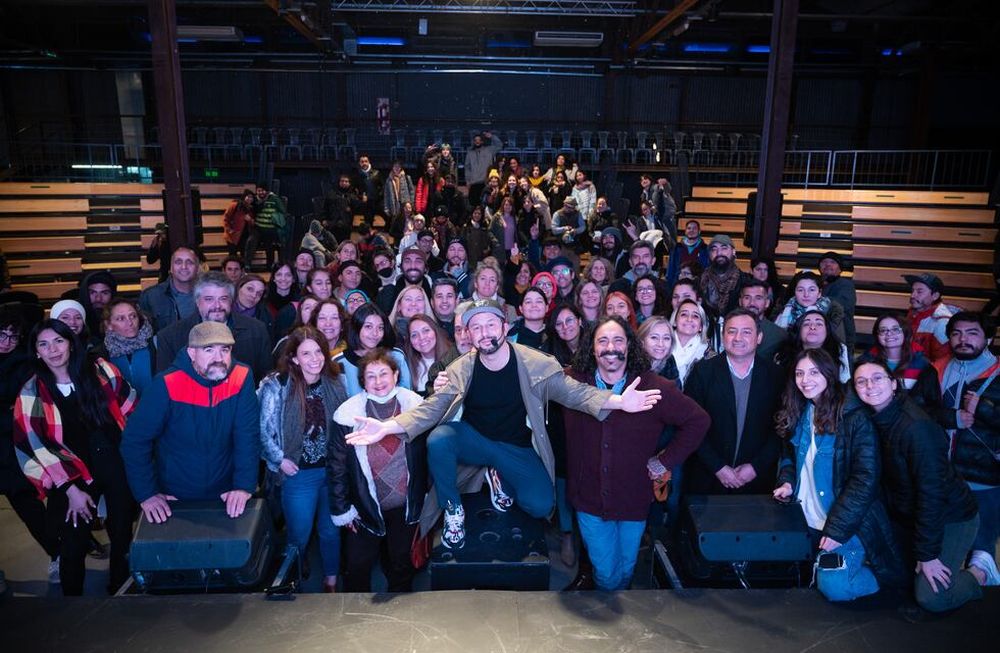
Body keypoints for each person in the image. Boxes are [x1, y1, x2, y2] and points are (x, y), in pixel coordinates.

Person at [344, 299, 663, 549]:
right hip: (475, 440)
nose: (484, 333)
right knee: (439, 438)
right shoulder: (461, 367)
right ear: (468, 335)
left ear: (505, 327)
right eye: (476, 328)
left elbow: (574, 393)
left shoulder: (536, 363)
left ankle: (499, 477)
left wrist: (620, 401)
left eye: (490, 325)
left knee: (540, 504)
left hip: (515, 447)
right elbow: (431, 409)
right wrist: (387, 427)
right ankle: (453, 511)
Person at [563, 316, 709, 591]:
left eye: (618, 340)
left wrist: (664, 460)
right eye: (602, 340)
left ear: (630, 346)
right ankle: (612, 624)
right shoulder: (573, 382)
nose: (610, 347)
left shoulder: (654, 387)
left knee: (626, 569)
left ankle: (617, 621)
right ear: (591, 348)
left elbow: (698, 421)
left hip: (634, 499)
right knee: (607, 574)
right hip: (589, 499)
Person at [13, 319, 137, 595]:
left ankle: (121, 589)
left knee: (121, 532)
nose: (53, 350)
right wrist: (70, 490)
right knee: (72, 542)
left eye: (58, 341)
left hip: (114, 462)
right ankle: (72, 602)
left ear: (71, 343)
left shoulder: (101, 370)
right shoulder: (32, 391)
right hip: (70, 472)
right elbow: (32, 445)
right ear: (36, 351)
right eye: (43, 344)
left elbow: (132, 407)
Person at [773, 349, 904, 601]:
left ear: (829, 374)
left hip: (844, 525)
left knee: (835, 588)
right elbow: (789, 454)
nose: (805, 380)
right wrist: (787, 481)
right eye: (799, 373)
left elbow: (865, 479)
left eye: (813, 372)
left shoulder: (854, 417)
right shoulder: (802, 408)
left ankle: (884, 576)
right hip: (807, 520)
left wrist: (837, 531)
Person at [853, 360, 982, 612]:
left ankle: (978, 573)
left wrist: (927, 555)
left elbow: (932, 495)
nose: (870, 386)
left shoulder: (916, 428)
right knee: (896, 578)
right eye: (861, 381)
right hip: (909, 516)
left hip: (950, 517)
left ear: (893, 383)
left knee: (931, 598)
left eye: (877, 378)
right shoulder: (872, 418)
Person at [121, 322, 259, 523]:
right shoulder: (166, 383)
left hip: (226, 493)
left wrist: (243, 486)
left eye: (225, 349)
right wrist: (147, 494)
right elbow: (134, 441)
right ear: (191, 353)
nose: (218, 358)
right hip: (176, 496)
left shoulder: (241, 375)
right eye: (209, 350)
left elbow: (248, 435)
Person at [258, 326, 347, 593]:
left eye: (319, 351)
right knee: (299, 535)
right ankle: (291, 584)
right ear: (294, 358)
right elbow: (262, 430)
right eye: (306, 353)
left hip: (331, 472)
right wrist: (279, 460)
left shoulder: (334, 381)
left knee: (331, 532)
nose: (315, 358)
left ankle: (331, 582)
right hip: (299, 475)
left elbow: (344, 424)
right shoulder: (277, 385)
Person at [329, 349, 427, 592]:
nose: (378, 381)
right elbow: (337, 467)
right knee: (357, 566)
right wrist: (343, 510)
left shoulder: (415, 407)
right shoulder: (347, 415)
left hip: (405, 506)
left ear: (396, 375)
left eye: (384, 374)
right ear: (363, 381)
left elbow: (427, 458)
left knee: (402, 564)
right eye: (371, 376)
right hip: (364, 508)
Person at [925, 312, 1000, 586]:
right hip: (943, 473)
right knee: (948, 551)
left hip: (985, 477)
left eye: (972, 333)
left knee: (981, 555)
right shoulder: (936, 368)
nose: (963, 339)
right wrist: (951, 417)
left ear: (988, 338)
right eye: (956, 333)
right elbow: (920, 410)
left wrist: (984, 409)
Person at [684, 309, 784, 495]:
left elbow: (780, 428)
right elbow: (690, 425)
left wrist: (755, 466)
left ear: (759, 337)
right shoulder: (702, 372)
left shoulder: (775, 375)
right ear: (723, 336)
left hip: (757, 480)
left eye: (746, 332)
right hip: (707, 477)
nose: (738, 338)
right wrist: (718, 466)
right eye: (731, 331)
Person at [0, 309, 60, 585]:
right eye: (2, 334)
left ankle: (57, 553)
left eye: (13, 337)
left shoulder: (23, 365)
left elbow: (21, 411)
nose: (6, 342)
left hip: (13, 449)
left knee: (29, 507)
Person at [155, 272, 272, 383]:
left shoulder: (257, 330)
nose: (217, 306)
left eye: (223, 299)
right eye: (209, 299)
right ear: (197, 301)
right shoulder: (170, 337)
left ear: (231, 300)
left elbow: (264, 380)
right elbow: (167, 385)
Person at [333, 302, 412, 396]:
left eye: (380, 328)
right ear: (357, 328)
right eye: (368, 327)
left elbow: (407, 395)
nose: (375, 333)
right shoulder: (340, 362)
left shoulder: (396, 356)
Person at [95, 297, 156, 398]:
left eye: (133, 316)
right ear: (108, 324)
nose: (130, 322)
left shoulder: (155, 345)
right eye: (120, 319)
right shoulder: (99, 355)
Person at [855, 313, 932, 392]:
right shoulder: (865, 362)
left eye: (895, 329)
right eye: (883, 330)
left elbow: (928, 399)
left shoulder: (922, 364)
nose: (889, 333)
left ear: (905, 333)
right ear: (877, 336)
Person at [774, 271, 847, 344]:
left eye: (812, 290)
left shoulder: (832, 313)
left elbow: (839, 346)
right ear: (795, 292)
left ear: (819, 293)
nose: (806, 294)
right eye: (800, 290)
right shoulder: (784, 311)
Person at [139, 245, 199, 333]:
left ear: (197, 269)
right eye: (178, 262)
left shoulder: (209, 295)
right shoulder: (150, 297)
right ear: (171, 268)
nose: (184, 266)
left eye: (189, 262)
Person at [699, 235, 748, 331]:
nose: (719, 253)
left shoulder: (744, 282)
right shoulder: (700, 280)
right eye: (714, 249)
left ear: (733, 252)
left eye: (724, 248)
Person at [904, 273, 957, 363]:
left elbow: (942, 364)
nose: (912, 295)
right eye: (912, 291)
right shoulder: (913, 313)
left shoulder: (942, 322)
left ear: (935, 296)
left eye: (919, 292)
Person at [403, 314, 457, 396]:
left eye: (426, 330)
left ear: (435, 331)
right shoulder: (407, 365)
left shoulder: (454, 355)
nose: (421, 338)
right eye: (414, 335)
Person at [739, 279, 787, 361]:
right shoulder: (727, 329)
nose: (752, 303)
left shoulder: (779, 336)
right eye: (747, 298)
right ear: (740, 302)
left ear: (767, 303)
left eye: (758, 298)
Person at [376, 246, 432, 316]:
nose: (413, 266)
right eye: (407, 261)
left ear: (426, 268)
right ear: (401, 267)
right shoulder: (385, 297)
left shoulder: (435, 295)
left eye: (418, 261)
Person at [670, 299, 712, 389]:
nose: (689, 319)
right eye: (684, 314)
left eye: (695, 316)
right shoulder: (661, 346)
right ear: (674, 321)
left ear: (701, 326)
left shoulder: (709, 356)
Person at [819, 251, 857, 350]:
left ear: (840, 269)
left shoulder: (845, 284)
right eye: (824, 262)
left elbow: (843, 304)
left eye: (833, 262)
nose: (828, 264)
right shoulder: (816, 285)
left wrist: (815, 299)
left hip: (841, 337)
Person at [248, 182, 286, 267]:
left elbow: (283, 211)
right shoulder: (255, 199)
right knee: (250, 242)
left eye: (263, 190)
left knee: (270, 248)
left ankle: (270, 267)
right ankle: (247, 265)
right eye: (259, 190)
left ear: (267, 191)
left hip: (270, 229)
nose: (261, 192)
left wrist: (276, 217)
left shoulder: (274, 199)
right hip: (258, 228)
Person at [666, 220, 709, 289]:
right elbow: (671, 269)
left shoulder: (705, 249)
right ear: (685, 231)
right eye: (689, 228)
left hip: (698, 287)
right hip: (678, 285)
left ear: (699, 231)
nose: (691, 230)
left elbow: (707, 270)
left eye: (694, 228)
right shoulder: (677, 248)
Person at [78, 270, 117, 348]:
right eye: (92, 293)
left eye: (104, 293)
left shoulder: (122, 318)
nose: (98, 299)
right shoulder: (74, 319)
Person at [465, 131, 503, 205]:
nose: (477, 142)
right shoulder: (470, 153)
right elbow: (467, 168)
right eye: (475, 140)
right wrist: (468, 181)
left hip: (486, 183)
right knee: (473, 205)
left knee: (486, 205)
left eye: (479, 140)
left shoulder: (489, 150)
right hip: (474, 183)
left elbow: (499, 145)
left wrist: (492, 136)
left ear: (482, 141)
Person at [233, 273, 274, 337]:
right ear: (239, 288)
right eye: (250, 289)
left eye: (259, 293)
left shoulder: (265, 317)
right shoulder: (224, 311)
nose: (254, 295)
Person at [383, 160, 415, 239]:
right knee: (397, 226)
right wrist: (386, 208)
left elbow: (412, 191)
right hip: (394, 205)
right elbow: (386, 195)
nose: (397, 168)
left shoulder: (407, 177)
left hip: (405, 205)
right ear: (392, 168)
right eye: (395, 166)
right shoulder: (389, 180)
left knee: (406, 224)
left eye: (398, 166)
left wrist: (411, 203)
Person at [223, 189, 256, 262]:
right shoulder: (235, 205)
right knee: (232, 255)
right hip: (233, 235)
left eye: (252, 197)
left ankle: (242, 271)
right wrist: (229, 229)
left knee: (244, 255)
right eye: (248, 196)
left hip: (245, 235)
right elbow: (226, 218)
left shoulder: (251, 208)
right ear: (244, 197)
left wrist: (250, 220)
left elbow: (254, 223)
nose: (250, 199)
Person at [354, 154, 384, 228]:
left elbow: (383, 186)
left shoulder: (376, 173)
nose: (364, 163)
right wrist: (361, 197)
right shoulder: (356, 175)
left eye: (366, 161)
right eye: (362, 161)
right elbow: (353, 189)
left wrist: (379, 196)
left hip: (377, 201)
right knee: (368, 223)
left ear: (369, 162)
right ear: (359, 163)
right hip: (365, 202)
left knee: (387, 216)